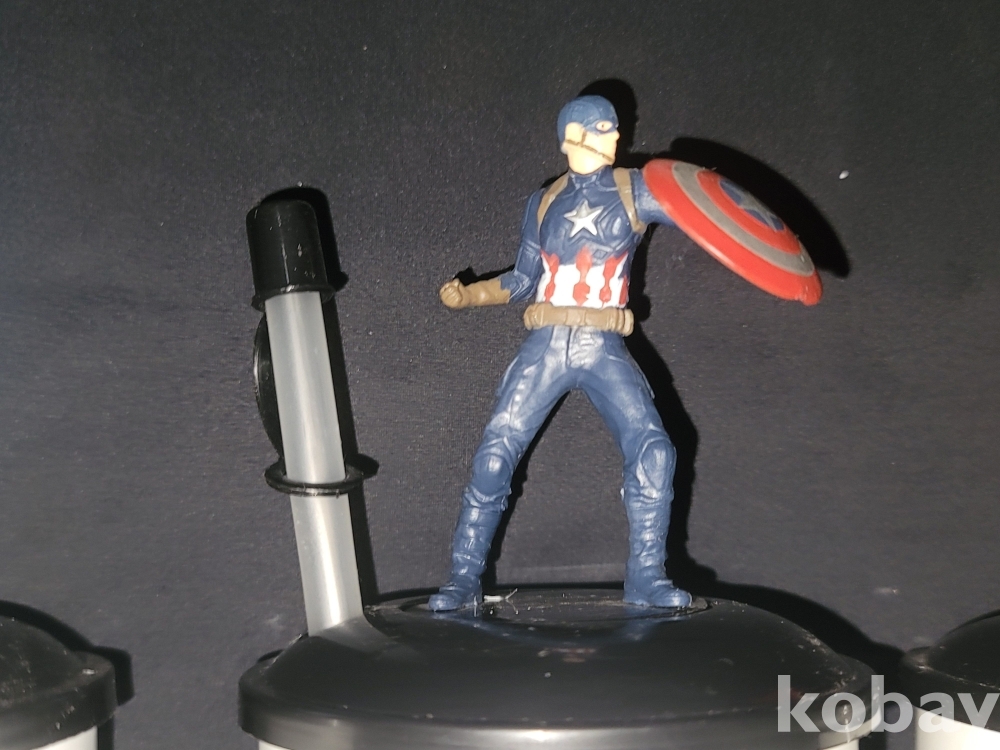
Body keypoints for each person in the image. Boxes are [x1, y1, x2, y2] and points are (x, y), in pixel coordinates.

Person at [430, 95, 692, 612]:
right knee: (493, 456)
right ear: (573, 137)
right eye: (604, 128)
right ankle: (462, 579)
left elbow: (698, 212)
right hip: (547, 343)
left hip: (603, 344)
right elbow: (524, 278)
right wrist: (471, 295)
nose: (616, 137)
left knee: (655, 452)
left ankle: (647, 577)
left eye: (615, 128)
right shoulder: (544, 200)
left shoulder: (635, 189)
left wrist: (742, 233)